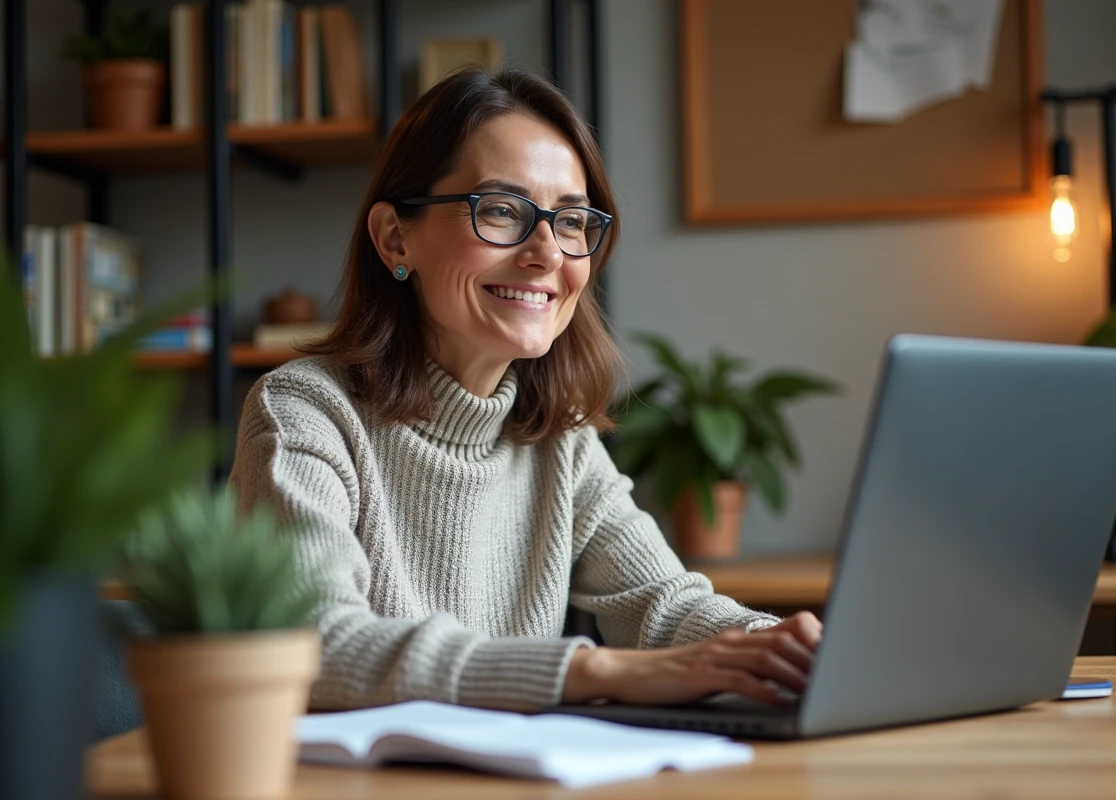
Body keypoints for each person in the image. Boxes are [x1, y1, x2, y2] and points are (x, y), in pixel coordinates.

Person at [229, 66, 822, 713]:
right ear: (396, 238)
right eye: (501, 211)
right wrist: (596, 669)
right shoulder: (304, 413)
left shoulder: (559, 437)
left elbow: (665, 605)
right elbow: (316, 645)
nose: (548, 253)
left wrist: (784, 650)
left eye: (571, 222)